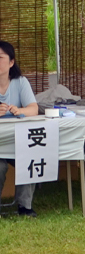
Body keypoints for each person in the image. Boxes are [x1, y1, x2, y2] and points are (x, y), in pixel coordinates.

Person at [0, 40, 39, 218]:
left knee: (30, 158)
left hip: (19, 142)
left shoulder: (21, 82)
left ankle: (25, 207)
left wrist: (20, 110)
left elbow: (34, 109)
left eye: (1, 58)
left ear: (11, 62)